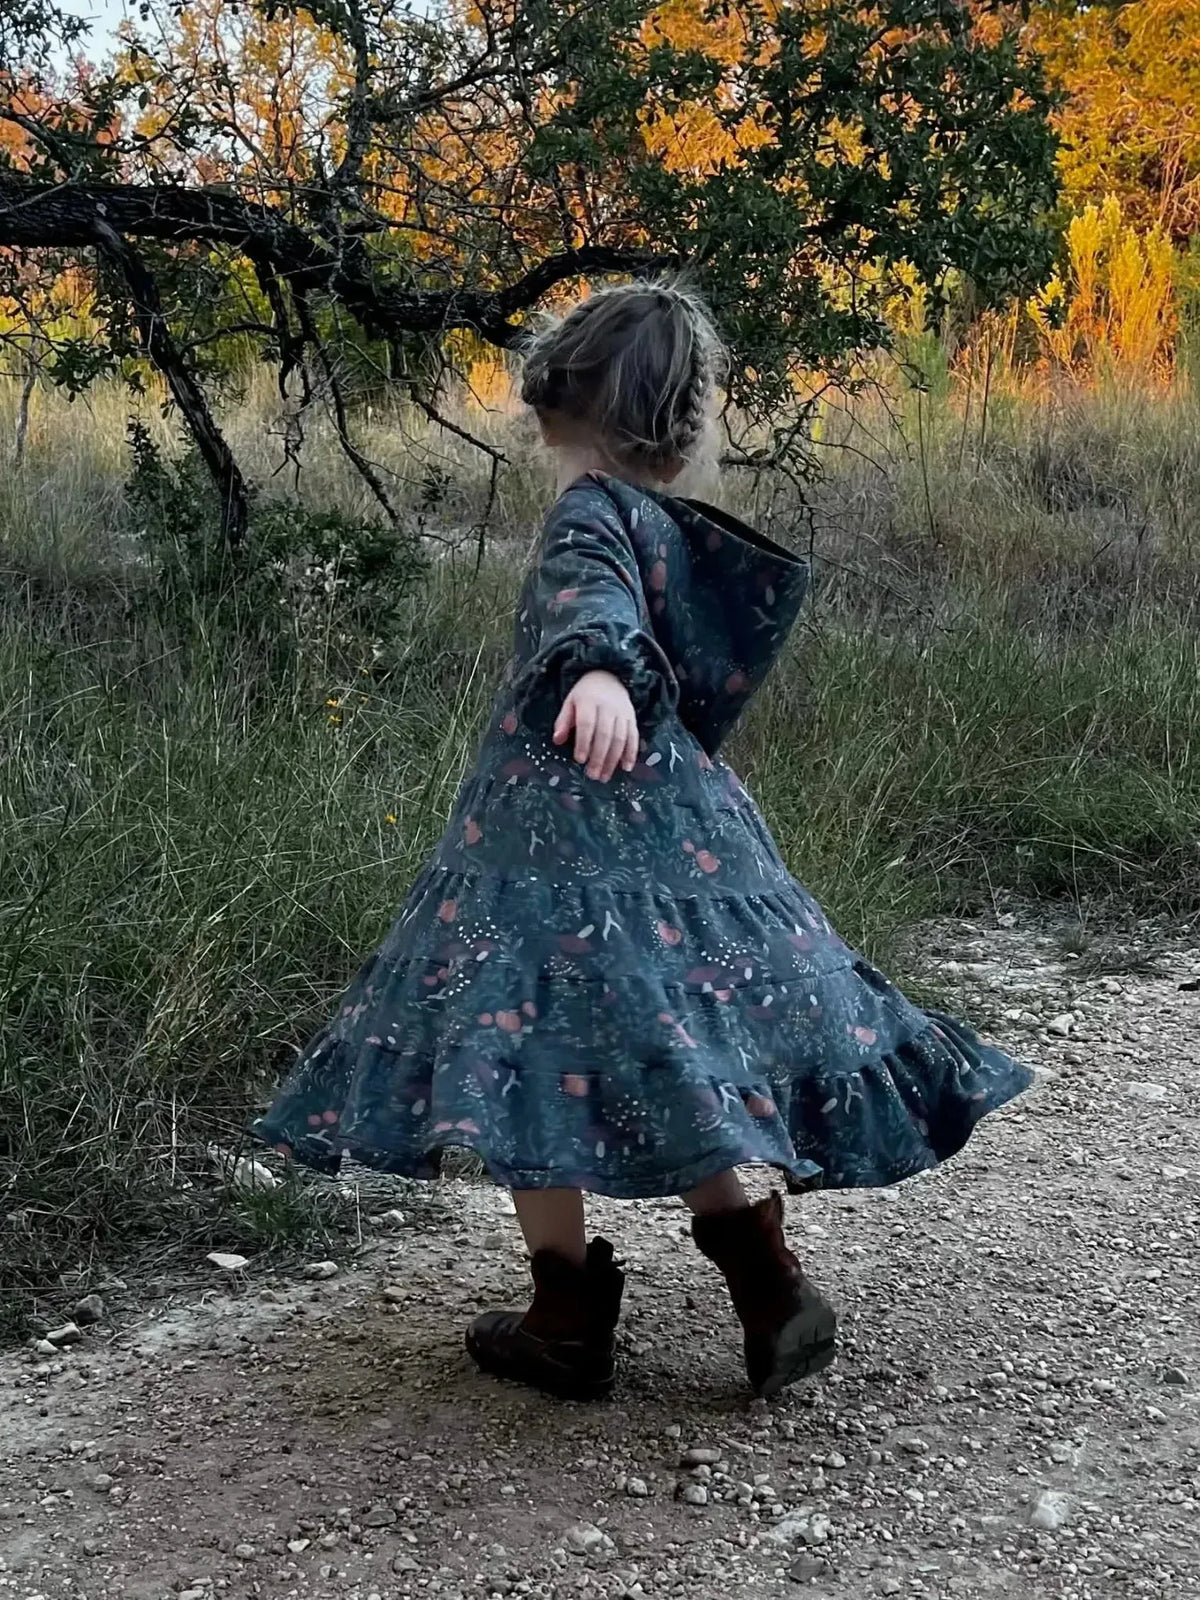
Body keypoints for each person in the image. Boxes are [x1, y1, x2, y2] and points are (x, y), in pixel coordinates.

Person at [255, 281, 1032, 1402]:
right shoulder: (672, 526)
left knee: (524, 1052)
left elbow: (591, 602)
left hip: (548, 851)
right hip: (679, 839)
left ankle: (565, 1314)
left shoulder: (589, 515)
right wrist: (614, 668)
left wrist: (604, 670)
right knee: (675, 1049)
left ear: (547, 403)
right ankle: (768, 1284)